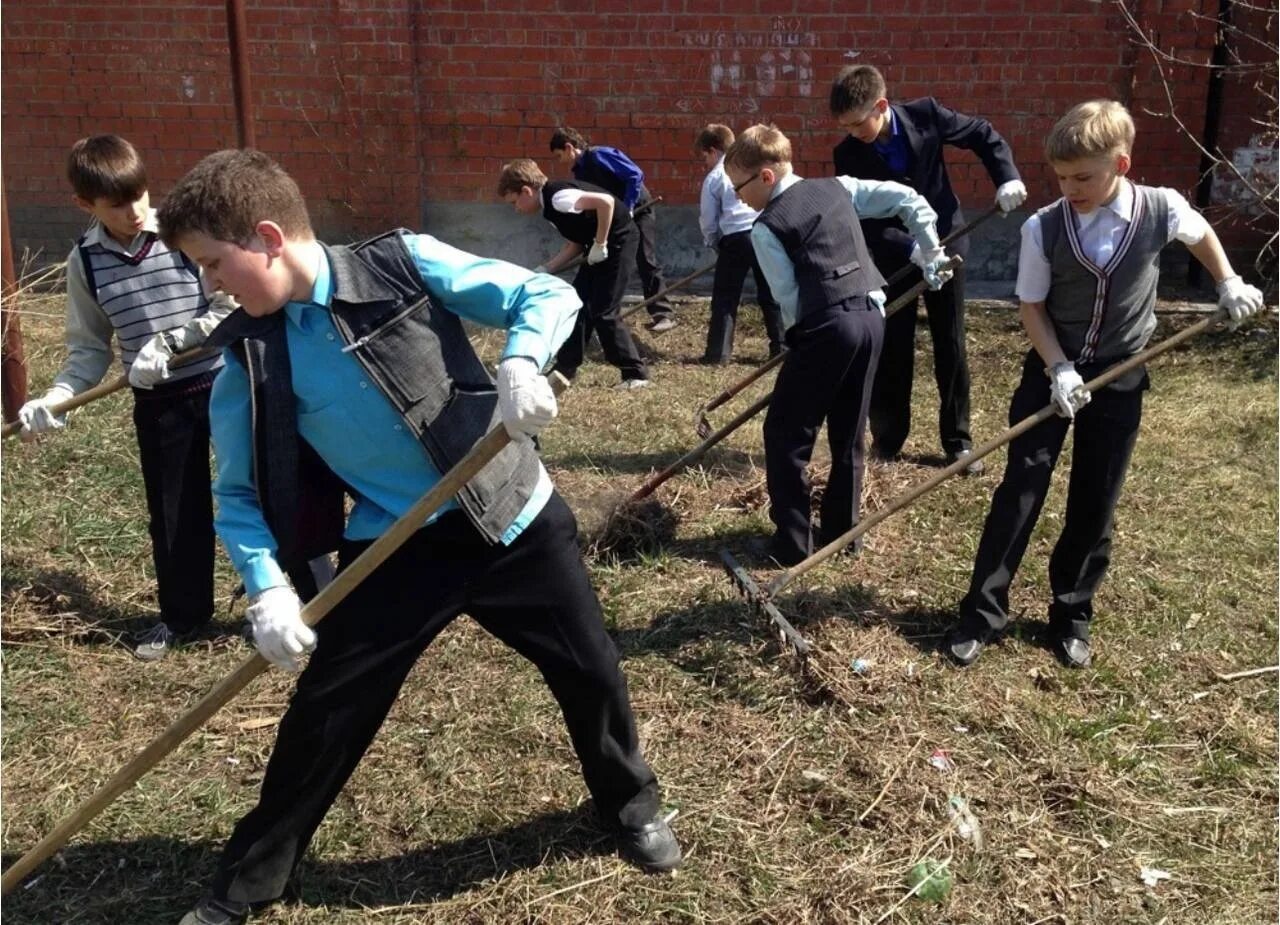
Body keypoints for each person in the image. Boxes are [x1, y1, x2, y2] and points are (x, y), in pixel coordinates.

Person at [157, 148, 680, 925]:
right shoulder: (251, 354)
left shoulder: (399, 262)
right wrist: (266, 585)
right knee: (326, 712)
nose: (211, 285)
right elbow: (233, 494)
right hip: (395, 546)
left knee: (590, 667)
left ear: (266, 236)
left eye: (212, 264)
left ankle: (630, 802)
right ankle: (251, 876)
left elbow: (539, 295)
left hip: (513, 513)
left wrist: (524, 364)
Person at [944, 100, 1264, 669]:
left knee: (1096, 497)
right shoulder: (1044, 226)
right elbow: (1032, 307)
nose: (1070, 187)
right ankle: (982, 611)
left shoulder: (1159, 209)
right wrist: (1059, 369)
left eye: (1083, 176)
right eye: (1061, 177)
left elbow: (1200, 233)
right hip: (1051, 368)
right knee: (1021, 488)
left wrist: (1229, 281)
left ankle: (1071, 614)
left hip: (1120, 373)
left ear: (1121, 163)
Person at [16, 134, 233, 661]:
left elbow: (229, 305)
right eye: (118, 204)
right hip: (159, 401)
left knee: (258, 488)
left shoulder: (181, 235)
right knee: (174, 509)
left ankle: (289, 597)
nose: (136, 212)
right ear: (84, 205)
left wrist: (178, 339)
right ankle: (184, 616)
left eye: (140, 195)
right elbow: (88, 348)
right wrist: (58, 395)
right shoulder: (85, 263)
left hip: (226, 383)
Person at [723, 125, 952, 566]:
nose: (738, 198)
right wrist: (931, 249)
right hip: (872, 316)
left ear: (766, 177)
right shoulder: (838, 187)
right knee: (849, 429)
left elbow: (789, 301)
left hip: (826, 325)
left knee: (786, 435)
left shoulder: (766, 227)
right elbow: (908, 200)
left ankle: (793, 542)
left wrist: (798, 345)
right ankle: (844, 534)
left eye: (739, 188)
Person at [831, 64, 1028, 475]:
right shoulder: (847, 154)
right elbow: (863, 221)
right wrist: (911, 248)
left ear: (881, 106)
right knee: (894, 348)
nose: (853, 133)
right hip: (896, 257)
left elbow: (982, 134)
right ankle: (888, 439)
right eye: (845, 126)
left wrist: (1005, 177)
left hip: (947, 244)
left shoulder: (927, 114)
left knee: (950, 343)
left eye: (857, 123)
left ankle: (958, 442)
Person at [498, 157, 651, 389]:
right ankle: (565, 369)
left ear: (526, 191)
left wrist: (600, 244)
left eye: (514, 202)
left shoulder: (558, 197)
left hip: (619, 242)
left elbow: (606, 202)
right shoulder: (550, 207)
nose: (516, 209)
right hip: (597, 249)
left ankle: (636, 374)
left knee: (604, 310)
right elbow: (574, 245)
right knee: (577, 305)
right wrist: (546, 269)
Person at [549, 127, 677, 332]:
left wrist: (629, 207)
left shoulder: (600, 155)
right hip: (616, 218)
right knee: (609, 264)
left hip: (638, 210)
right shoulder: (580, 172)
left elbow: (634, 175)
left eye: (559, 156)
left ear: (569, 147)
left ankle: (663, 314)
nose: (560, 161)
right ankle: (601, 316)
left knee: (645, 258)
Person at [695, 123, 784, 364]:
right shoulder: (750, 167)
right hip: (762, 232)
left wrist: (714, 243)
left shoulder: (714, 177)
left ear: (713, 151)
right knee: (771, 292)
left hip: (734, 239)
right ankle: (781, 347)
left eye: (704, 157)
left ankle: (718, 353)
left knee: (725, 296)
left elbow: (709, 219)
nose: (705, 163)